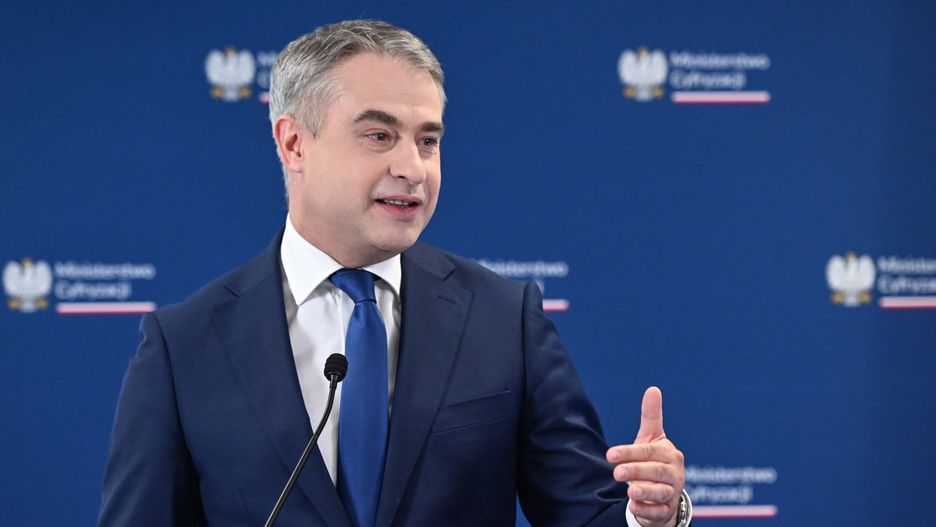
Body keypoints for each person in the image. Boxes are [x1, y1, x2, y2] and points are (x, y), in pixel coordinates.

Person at [98, 19, 690, 527]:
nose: (413, 167)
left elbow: (585, 514)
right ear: (294, 143)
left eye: (427, 141)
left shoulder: (504, 319)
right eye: (379, 135)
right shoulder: (184, 346)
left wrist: (650, 515)